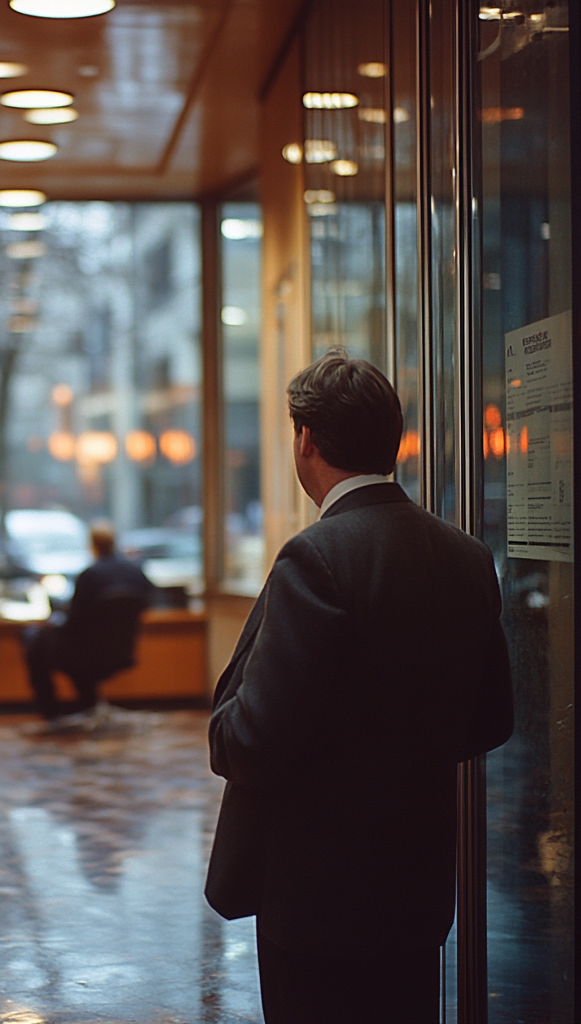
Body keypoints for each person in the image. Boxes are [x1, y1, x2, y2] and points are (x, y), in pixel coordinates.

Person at [205, 351, 514, 1024]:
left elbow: (250, 742)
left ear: (306, 439)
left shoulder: (315, 558)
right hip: (417, 889)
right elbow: (492, 719)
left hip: (319, 899)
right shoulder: (467, 557)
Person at [23, 521, 153, 721]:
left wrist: (54, 621)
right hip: (120, 650)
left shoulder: (90, 574)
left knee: (34, 641)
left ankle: (52, 713)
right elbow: (148, 601)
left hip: (84, 651)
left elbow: (74, 619)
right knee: (76, 653)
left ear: (92, 545)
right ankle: (87, 704)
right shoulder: (135, 572)